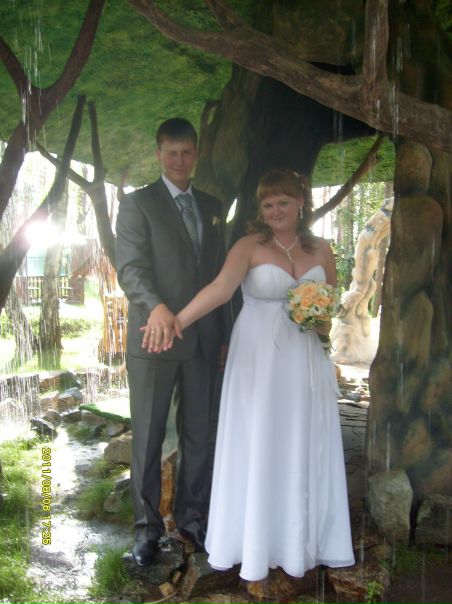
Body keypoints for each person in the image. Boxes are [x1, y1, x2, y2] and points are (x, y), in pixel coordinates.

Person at [148, 168, 355, 581]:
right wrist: (178, 321)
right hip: (258, 359)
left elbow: (329, 308)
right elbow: (220, 290)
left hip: (305, 359)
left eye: (283, 202)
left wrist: (319, 321)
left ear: (300, 202)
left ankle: (301, 541)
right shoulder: (248, 246)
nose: (275, 211)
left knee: (301, 438)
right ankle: (254, 541)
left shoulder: (322, 249)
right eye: (268, 204)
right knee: (259, 437)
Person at [115, 118, 230, 567]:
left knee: (199, 434)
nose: (179, 160)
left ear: (196, 153)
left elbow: (221, 279)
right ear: (159, 153)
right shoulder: (137, 204)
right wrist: (155, 306)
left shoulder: (212, 206)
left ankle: (191, 519)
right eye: (171, 152)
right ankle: (146, 531)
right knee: (147, 436)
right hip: (156, 338)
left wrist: (224, 336)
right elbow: (131, 268)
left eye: (186, 152)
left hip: (203, 340)